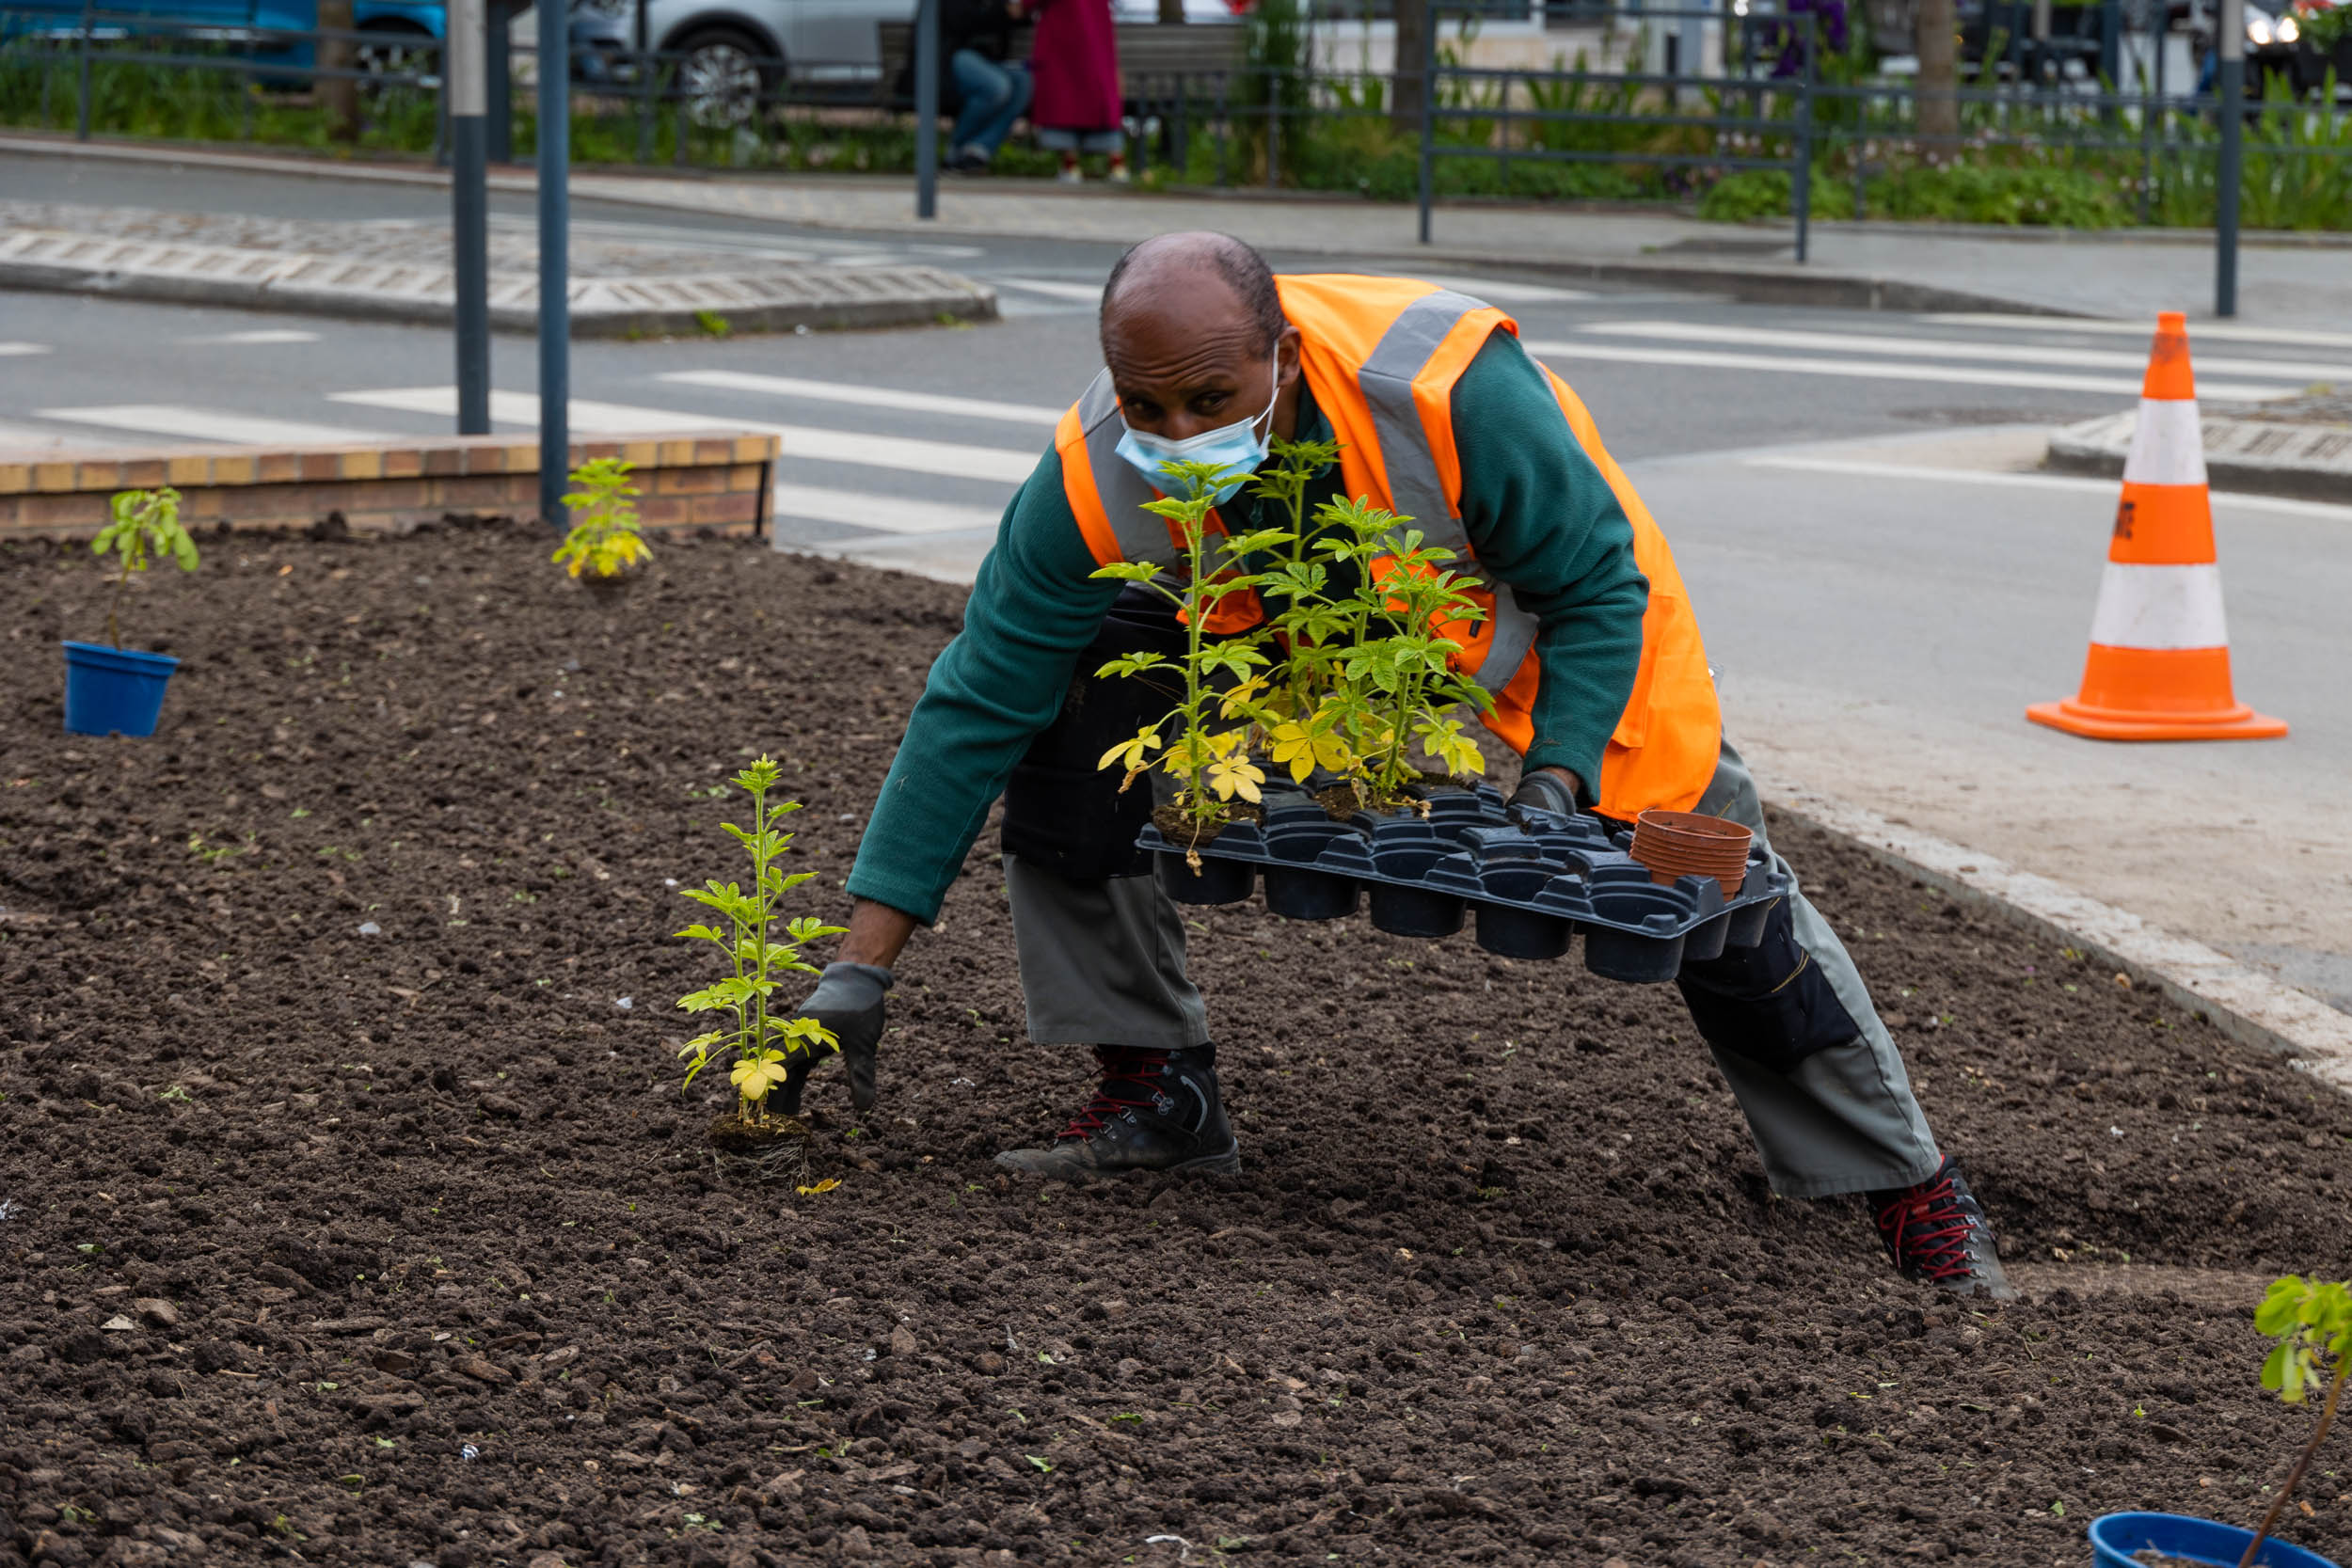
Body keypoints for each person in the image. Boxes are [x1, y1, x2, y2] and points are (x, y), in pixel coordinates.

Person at [787, 231, 2014, 1300]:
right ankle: (1155, 1085)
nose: (1174, 434)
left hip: (1549, 621)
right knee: (1074, 724)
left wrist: (1562, 777)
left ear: (1283, 358)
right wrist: (860, 968)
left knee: (1708, 867)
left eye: (1211, 399)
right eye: (1146, 403)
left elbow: (1593, 588)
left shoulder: (1445, 390)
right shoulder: (1092, 478)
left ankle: (1904, 1185)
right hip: (1306, 647)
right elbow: (973, 704)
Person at [1025, 0, 1127, 182]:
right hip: (1096, 28)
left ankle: (1070, 164)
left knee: (1065, 96)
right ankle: (1117, 164)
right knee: (1100, 93)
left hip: (1062, 31)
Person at [943, 0, 1033, 171]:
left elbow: (1020, 17)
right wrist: (1004, 11)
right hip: (950, 61)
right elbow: (961, 22)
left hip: (988, 62)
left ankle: (978, 149)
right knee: (997, 87)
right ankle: (957, 147)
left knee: (1023, 82)